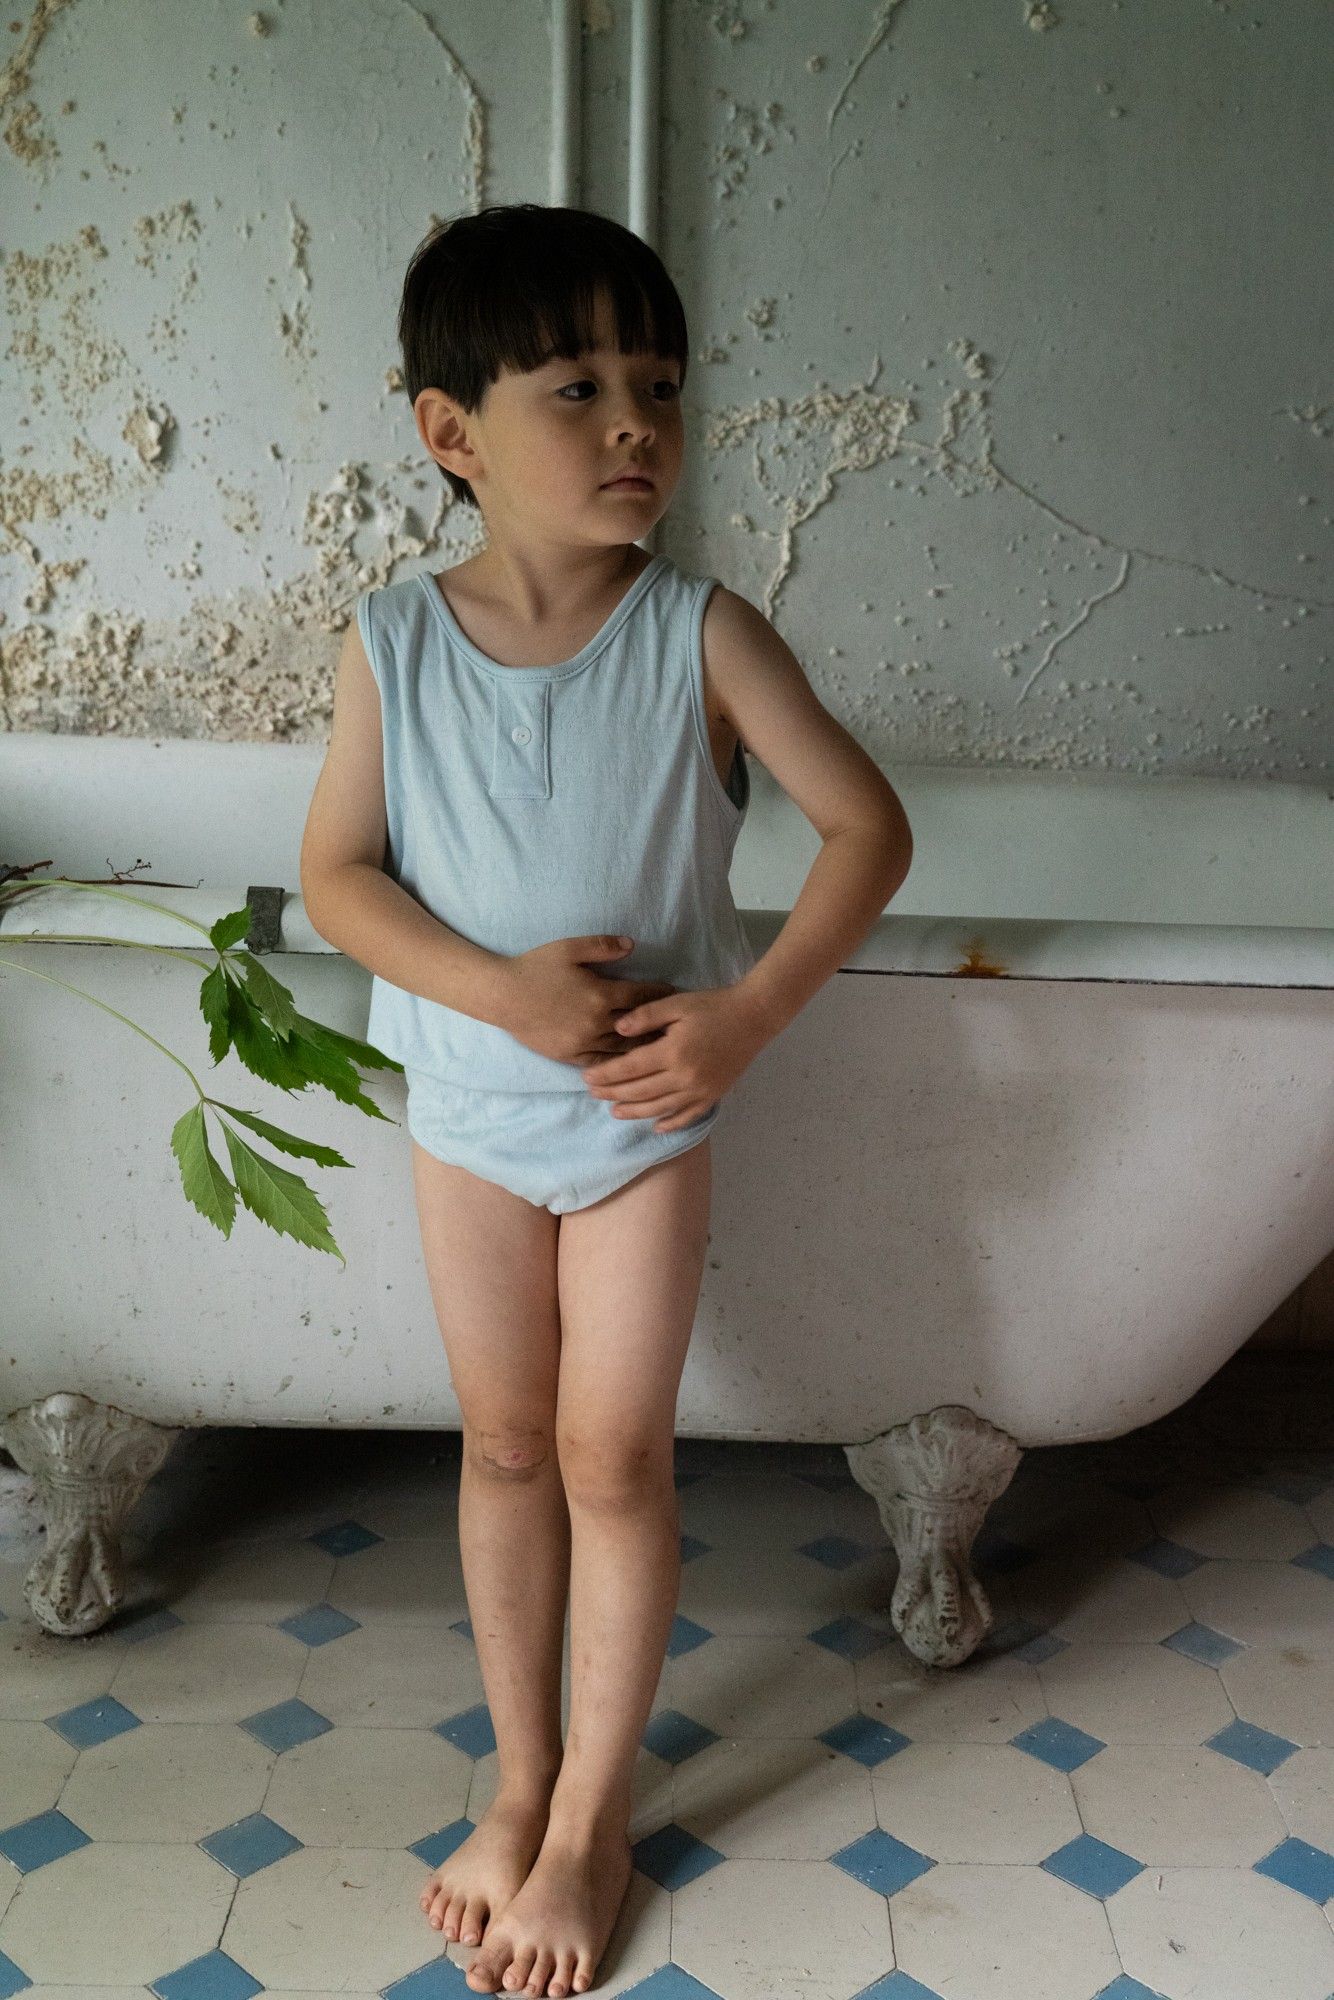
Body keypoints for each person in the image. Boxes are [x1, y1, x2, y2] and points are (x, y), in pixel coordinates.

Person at [299, 201, 913, 1999]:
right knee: (503, 1448)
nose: (637, 421)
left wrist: (746, 1019)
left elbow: (867, 831)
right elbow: (338, 878)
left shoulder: (702, 632)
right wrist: (501, 993)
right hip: (467, 1121)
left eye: (659, 383)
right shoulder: (390, 643)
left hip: (643, 1128)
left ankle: (591, 1821)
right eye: (577, 387)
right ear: (452, 432)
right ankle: (516, 1780)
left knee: (611, 1458)